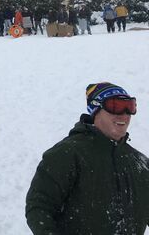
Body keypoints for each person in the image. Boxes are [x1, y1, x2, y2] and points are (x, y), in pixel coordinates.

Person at [26, 82, 149, 234]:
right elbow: (39, 207)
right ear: (95, 109)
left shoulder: (140, 163)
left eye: (129, 106)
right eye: (115, 106)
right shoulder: (67, 154)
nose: (124, 114)